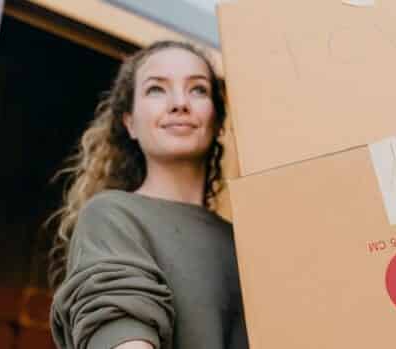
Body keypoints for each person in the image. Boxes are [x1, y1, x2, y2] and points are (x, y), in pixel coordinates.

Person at [48, 40, 248, 349]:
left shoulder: (245, 244)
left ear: (218, 120)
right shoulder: (112, 216)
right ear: (130, 124)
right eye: (157, 89)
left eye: (198, 89)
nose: (180, 103)